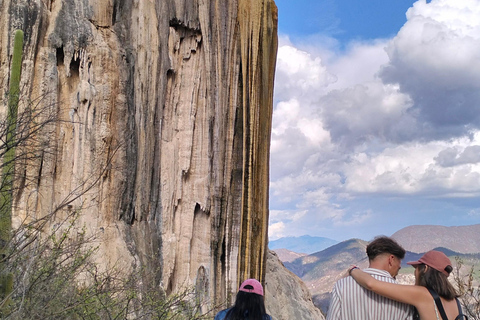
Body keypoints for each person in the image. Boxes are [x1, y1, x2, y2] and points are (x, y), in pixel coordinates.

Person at [349, 250, 466, 320]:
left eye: (416, 268)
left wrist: (353, 270)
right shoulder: (455, 301)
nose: (415, 272)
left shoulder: (422, 294)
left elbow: (371, 284)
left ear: (425, 269)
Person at [326, 236, 413, 320]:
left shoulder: (342, 286)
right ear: (391, 259)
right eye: (399, 262)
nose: (399, 266)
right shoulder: (404, 295)